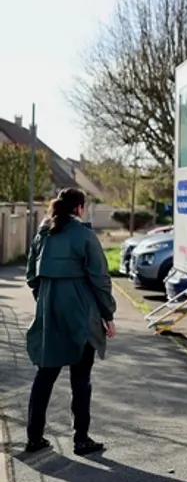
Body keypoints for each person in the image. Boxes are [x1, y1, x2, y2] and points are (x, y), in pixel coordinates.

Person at [24, 188, 117, 456]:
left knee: (45, 375)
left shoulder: (42, 236)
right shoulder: (85, 236)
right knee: (81, 378)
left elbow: (31, 276)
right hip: (81, 316)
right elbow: (100, 279)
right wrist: (107, 315)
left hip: (49, 314)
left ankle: (34, 437)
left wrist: (45, 300)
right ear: (78, 208)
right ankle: (81, 439)